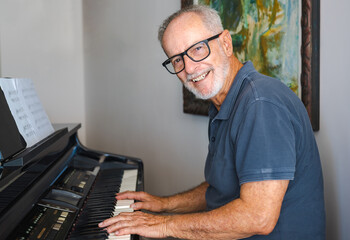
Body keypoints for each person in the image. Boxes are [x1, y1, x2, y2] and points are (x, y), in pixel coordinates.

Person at [99, 5, 325, 239]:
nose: (189, 68)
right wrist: (165, 204)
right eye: (177, 60)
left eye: (197, 49)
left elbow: (258, 217)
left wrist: (163, 225)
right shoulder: (224, 102)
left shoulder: (260, 103)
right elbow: (222, 188)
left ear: (226, 43)